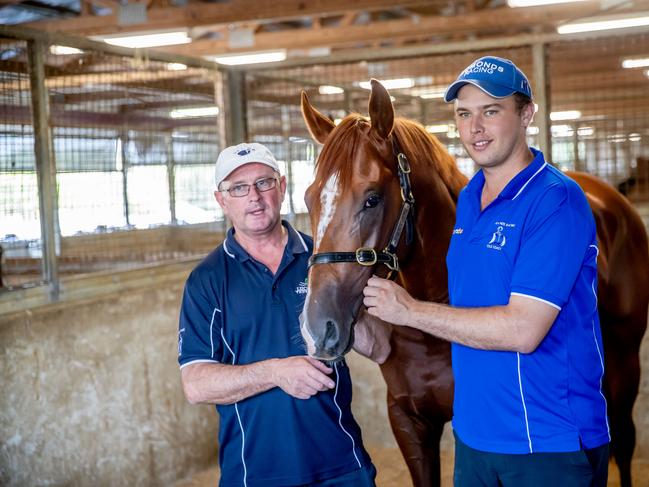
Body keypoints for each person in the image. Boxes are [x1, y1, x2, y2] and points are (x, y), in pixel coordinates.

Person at [363, 56, 610, 486]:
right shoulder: (469, 199)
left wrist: (410, 311)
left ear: (526, 113)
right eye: (464, 114)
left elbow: (522, 330)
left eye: (491, 111)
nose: (474, 127)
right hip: (475, 440)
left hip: (546, 443)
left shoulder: (555, 200)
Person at [178, 142, 376, 487]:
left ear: (282, 187)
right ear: (221, 200)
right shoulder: (207, 280)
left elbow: (376, 347)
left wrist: (386, 305)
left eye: (263, 182)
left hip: (343, 464)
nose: (253, 196)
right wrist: (276, 372)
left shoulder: (324, 258)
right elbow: (196, 384)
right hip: (256, 473)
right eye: (238, 188)